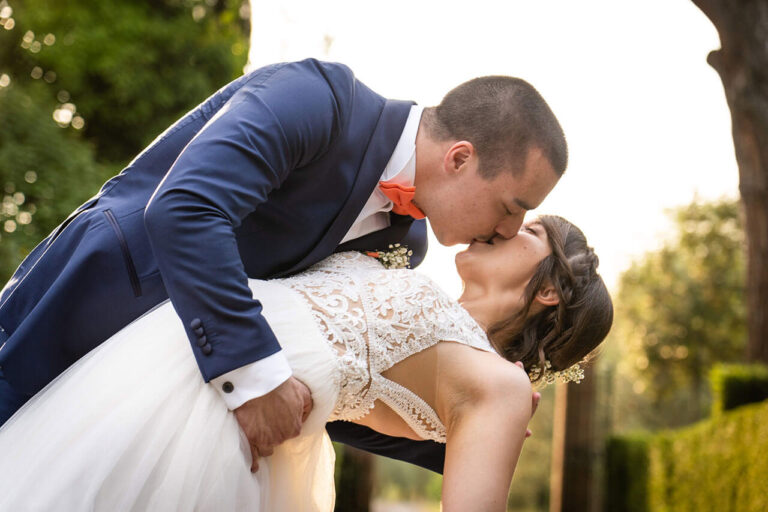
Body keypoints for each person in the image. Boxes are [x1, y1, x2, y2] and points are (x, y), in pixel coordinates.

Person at [0, 59, 567, 472]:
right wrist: (254, 374)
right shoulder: (318, 98)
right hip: (85, 313)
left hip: (156, 403)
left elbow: (318, 369)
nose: (509, 230)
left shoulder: (406, 242)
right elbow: (185, 207)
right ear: (460, 157)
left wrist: (457, 431)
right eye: (514, 207)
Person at [0, 215, 612, 511]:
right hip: (158, 371)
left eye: (528, 228)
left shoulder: (500, 389)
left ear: (550, 289)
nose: (505, 223)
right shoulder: (421, 294)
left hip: (203, 430)